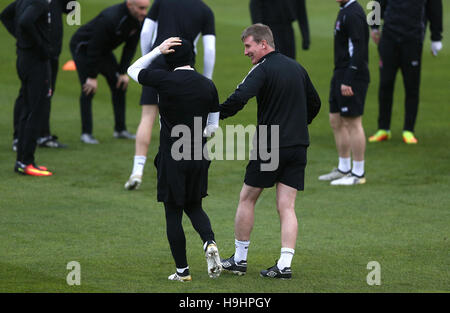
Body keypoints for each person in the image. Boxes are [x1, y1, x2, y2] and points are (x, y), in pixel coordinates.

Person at [219, 24, 321, 279]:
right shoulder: (297, 68)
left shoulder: (261, 69)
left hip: (270, 144)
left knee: (247, 198)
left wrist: (212, 114)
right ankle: (284, 265)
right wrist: (298, 125)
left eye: (248, 46)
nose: (246, 52)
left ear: (263, 44)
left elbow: (239, 98)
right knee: (286, 206)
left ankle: (239, 260)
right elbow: (315, 103)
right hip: (298, 145)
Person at [127, 37, 222, 282]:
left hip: (172, 156)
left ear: (169, 59)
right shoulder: (208, 85)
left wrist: (157, 50)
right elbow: (212, 127)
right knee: (195, 206)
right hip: (198, 155)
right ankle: (209, 242)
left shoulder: (163, 79)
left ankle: (183, 272)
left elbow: (133, 70)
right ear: (193, 57)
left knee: (173, 213)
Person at [124, 0, 216, 190]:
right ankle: (186, 172)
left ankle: (137, 171)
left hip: (159, 60)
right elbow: (209, 49)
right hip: (186, 67)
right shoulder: (205, 11)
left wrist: (149, 59)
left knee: (148, 117)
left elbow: (146, 32)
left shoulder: (162, 2)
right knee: (185, 121)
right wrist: (206, 79)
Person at [70, 0, 149, 144]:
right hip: (84, 48)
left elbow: (130, 48)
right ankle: (86, 133)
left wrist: (123, 72)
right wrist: (92, 76)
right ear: (129, 5)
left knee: (119, 84)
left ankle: (120, 130)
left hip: (102, 50)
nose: (144, 12)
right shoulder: (111, 18)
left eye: (146, 8)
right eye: (141, 8)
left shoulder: (139, 20)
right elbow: (94, 46)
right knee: (88, 88)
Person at [368, 0, 443, 144]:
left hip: (413, 39)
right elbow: (376, 2)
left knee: (411, 86)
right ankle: (383, 128)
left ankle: (408, 130)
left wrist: (436, 37)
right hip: (389, 37)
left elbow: (435, 7)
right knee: (385, 83)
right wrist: (374, 26)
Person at [1, 0, 70, 151]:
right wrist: (24, 38)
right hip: (37, 55)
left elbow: (72, 11)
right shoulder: (35, 2)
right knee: (27, 96)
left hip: (51, 54)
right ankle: (19, 138)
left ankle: (42, 135)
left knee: (45, 95)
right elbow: (8, 16)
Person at [318, 0, 370, 186]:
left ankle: (358, 173)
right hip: (340, 73)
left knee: (353, 122)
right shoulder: (344, 10)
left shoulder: (354, 13)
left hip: (352, 75)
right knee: (336, 119)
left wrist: (349, 77)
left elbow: (359, 48)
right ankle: (344, 167)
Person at [12, 0, 53, 176]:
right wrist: (40, 46)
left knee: (27, 110)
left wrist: (23, 41)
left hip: (24, 58)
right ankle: (27, 161)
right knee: (36, 111)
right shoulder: (40, 2)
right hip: (36, 62)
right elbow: (25, 22)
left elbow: (8, 16)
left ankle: (22, 161)